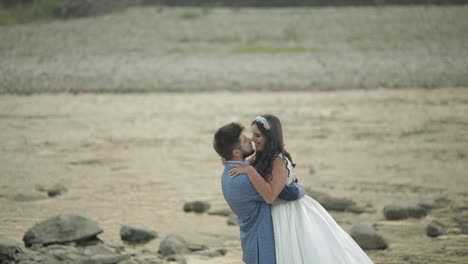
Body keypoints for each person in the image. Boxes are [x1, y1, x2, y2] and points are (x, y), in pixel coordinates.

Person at [229, 114, 374, 264]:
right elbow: (246, 172)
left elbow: (270, 196)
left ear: (270, 138)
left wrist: (250, 171)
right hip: (273, 214)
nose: (252, 139)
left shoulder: (278, 161)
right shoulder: (259, 157)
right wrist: (230, 162)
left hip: (289, 214)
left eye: (257, 135)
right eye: (252, 134)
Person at [213, 122, 305, 264]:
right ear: (236, 152)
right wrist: (298, 186)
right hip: (262, 247)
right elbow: (288, 193)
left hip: (251, 244)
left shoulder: (227, 173)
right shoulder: (246, 179)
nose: (250, 140)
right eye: (245, 140)